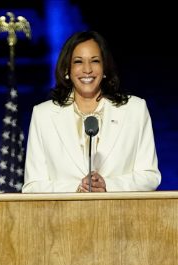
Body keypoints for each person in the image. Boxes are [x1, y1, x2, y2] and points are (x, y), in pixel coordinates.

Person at [22, 30, 161, 193]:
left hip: (119, 209)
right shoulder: (43, 115)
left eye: (95, 61)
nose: (87, 69)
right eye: (78, 62)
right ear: (67, 69)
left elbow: (150, 176)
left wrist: (107, 185)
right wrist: (77, 188)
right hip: (65, 210)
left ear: (105, 68)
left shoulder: (135, 109)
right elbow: (32, 186)